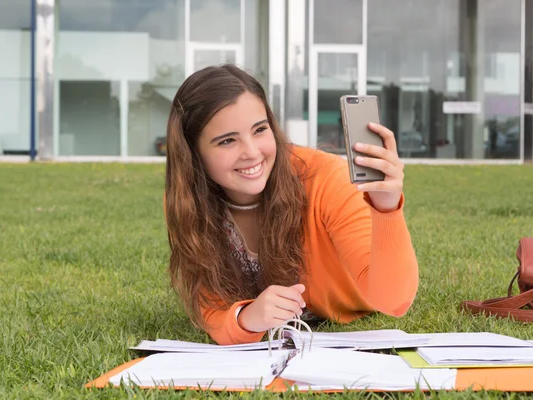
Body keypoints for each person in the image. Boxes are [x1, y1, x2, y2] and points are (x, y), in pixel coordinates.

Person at [164, 64, 418, 345]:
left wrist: (386, 208)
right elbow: (211, 310)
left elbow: (393, 301)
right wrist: (246, 318)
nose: (252, 152)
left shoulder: (326, 180)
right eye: (227, 141)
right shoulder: (189, 201)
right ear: (192, 154)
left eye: (260, 130)